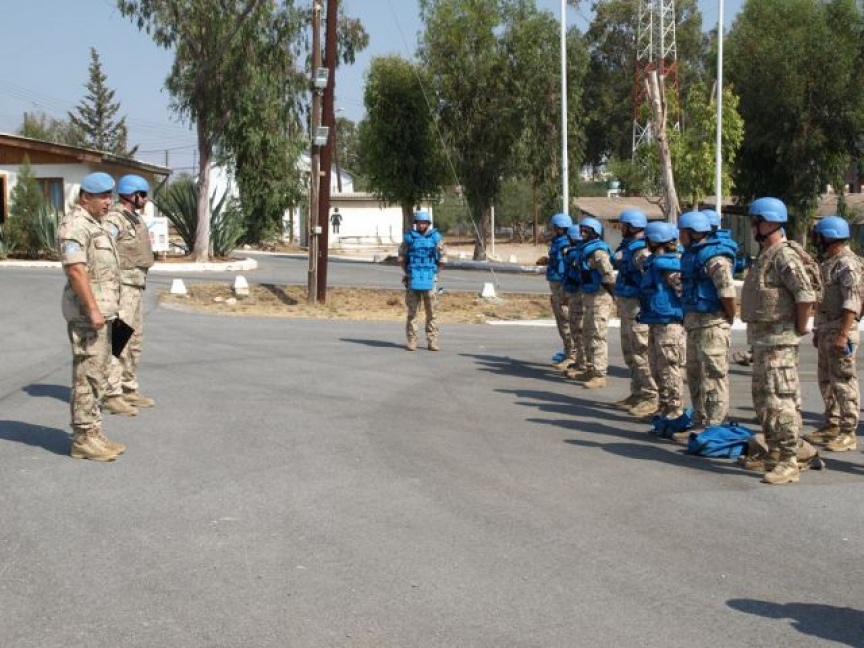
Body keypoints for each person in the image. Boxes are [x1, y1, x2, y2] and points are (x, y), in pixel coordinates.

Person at [740, 197, 817, 484]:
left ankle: (789, 461)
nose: (752, 227)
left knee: (780, 402)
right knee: (764, 401)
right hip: (764, 343)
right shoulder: (766, 255)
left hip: (779, 344)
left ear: (769, 223)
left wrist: (799, 328)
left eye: (755, 222)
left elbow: (805, 295)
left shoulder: (784, 256)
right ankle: (774, 452)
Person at [57, 172, 125, 461]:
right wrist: (93, 309)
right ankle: (83, 438)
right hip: (88, 315)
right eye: (103, 196)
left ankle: (93, 431)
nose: (109, 202)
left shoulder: (96, 225)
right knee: (87, 374)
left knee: (99, 373)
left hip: (104, 312)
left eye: (110, 196)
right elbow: (76, 270)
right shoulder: (74, 225)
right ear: (86, 197)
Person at [806, 216, 862, 452]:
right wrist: (818, 330)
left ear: (829, 237)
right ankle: (832, 423)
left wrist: (843, 334)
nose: (816, 240)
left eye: (819, 236)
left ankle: (848, 432)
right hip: (827, 329)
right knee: (826, 381)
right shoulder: (830, 263)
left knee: (843, 382)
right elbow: (822, 301)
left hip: (840, 330)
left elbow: (852, 303)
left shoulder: (847, 264)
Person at [678, 210, 737, 435]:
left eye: (683, 232)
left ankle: (716, 427)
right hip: (694, 324)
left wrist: (729, 316)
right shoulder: (691, 255)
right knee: (695, 376)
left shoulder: (715, 259)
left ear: (694, 233)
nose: (679, 237)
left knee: (713, 377)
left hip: (712, 324)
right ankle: (699, 419)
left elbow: (727, 292)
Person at [104, 174, 155, 416]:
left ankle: (128, 388)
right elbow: (104, 251)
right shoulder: (115, 219)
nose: (145, 199)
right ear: (130, 194)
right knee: (119, 341)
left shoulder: (134, 219)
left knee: (134, 341)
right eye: (142, 194)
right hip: (122, 288)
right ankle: (112, 394)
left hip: (135, 287)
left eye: (145, 195)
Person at [639, 222, 686, 421]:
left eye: (648, 239)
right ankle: (664, 406)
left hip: (669, 324)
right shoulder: (654, 262)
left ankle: (675, 410)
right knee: (656, 367)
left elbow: (681, 290)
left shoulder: (669, 265)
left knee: (669, 368)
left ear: (656, 240)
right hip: (655, 321)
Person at [612, 209, 657, 414]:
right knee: (630, 352)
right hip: (627, 306)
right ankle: (637, 392)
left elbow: (651, 277)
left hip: (638, 308)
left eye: (623, 225)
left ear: (633, 226)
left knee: (641, 353)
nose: (620, 228)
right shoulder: (629, 248)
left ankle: (651, 396)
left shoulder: (641, 252)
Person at [574, 217, 615, 389]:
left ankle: (599, 374)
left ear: (595, 233)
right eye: (581, 230)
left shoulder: (598, 252)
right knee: (588, 333)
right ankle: (590, 368)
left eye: (586, 231)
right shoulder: (584, 250)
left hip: (600, 297)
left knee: (598, 335)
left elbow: (608, 275)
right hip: (590, 296)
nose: (583, 234)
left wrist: (614, 296)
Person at [398, 211, 445, 351]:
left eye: (424, 223)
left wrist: (435, 273)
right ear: (416, 224)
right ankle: (412, 341)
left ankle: (432, 341)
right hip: (413, 278)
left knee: (432, 313)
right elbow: (401, 257)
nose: (422, 225)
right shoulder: (409, 238)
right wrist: (408, 273)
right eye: (419, 223)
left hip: (430, 278)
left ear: (428, 224)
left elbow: (443, 258)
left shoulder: (436, 238)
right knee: (412, 313)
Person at [542, 212, 575, 369]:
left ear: (560, 229)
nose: (551, 231)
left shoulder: (564, 245)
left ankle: (572, 355)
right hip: (557, 288)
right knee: (562, 322)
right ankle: (568, 352)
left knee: (566, 322)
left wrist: (564, 293)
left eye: (553, 228)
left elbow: (566, 268)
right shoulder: (558, 243)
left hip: (562, 288)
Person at [561, 224, 586, 376]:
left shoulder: (574, 254)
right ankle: (580, 361)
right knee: (576, 329)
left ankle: (583, 364)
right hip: (578, 294)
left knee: (579, 330)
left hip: (578, 295)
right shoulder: (579, 252)